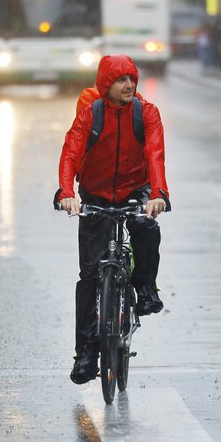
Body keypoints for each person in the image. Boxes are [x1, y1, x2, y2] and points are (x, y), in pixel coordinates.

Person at [56, 54, 171, 385]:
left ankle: (146, 287)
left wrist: (158, 194)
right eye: (121, 80)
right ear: (106, 85)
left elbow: (155, 154)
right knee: (89, 276)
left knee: (146, 225)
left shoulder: (146, 113)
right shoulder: (90, 114)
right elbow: (71, 151)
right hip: (95, 192)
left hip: (137, 186)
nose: (129, 85)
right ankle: (86, 354)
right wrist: (67, 193)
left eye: (132, 79)